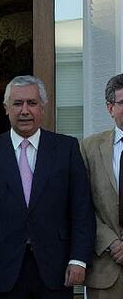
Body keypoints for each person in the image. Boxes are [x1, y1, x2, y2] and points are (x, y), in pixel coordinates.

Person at [0, 75, 95, 298]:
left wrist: (79, 259)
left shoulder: (66, 149)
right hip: (0, 270)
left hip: (56, 269)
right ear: (6, 108)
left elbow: (81, 209)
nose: (25, 110)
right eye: (17, 103)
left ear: (42, 107)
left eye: (32, 103)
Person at [81, 73, 123, 298]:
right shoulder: (89, 148)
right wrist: (112, 242)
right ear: (110, 108)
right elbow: (81, 206)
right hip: (106, 268)